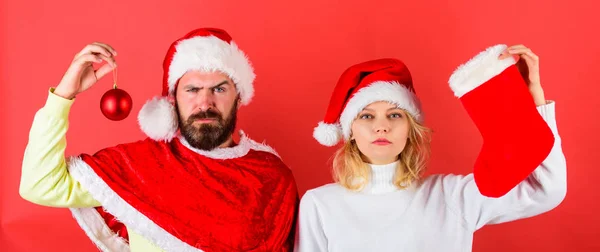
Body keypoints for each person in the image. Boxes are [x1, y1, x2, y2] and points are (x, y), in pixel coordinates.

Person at [19, 27, 299, 252]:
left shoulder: (271, 177)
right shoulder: (137, 167)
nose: (205, 102)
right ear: (172, 100)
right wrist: (64, 95)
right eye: (191, 89)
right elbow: (40, 185)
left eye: (219, 88)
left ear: (238, 97)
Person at [294, 44, 567, 252]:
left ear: (411, 128)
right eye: (366, 116)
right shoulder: (319, 204)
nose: (381, 127)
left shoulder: (452, 197)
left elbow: (545, 190)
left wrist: (533, 105)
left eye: (395, 115)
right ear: (349, 130)